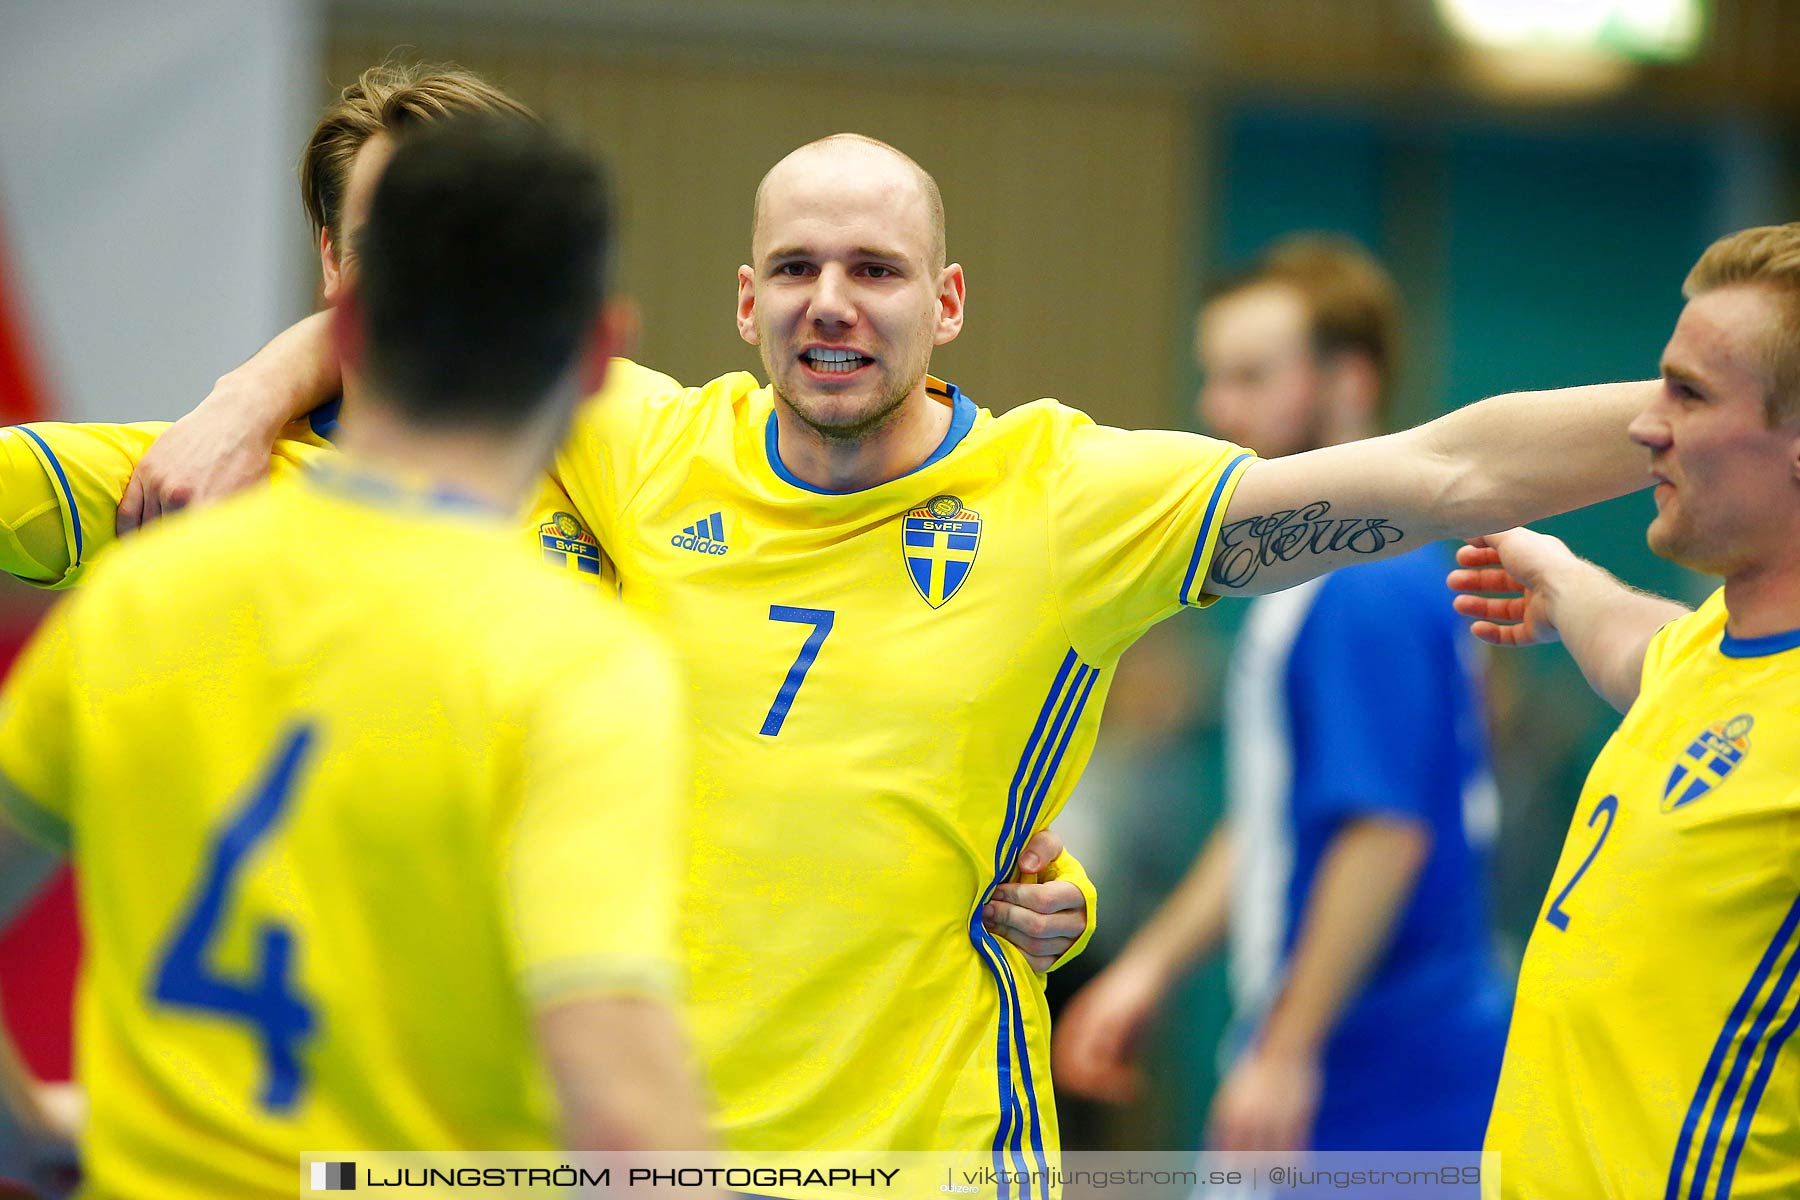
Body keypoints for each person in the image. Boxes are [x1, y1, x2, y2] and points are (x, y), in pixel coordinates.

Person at [135, 125, 1661, 1182]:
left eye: (873, 269)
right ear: (743, 302)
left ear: (945, 304)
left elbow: (1447, 471)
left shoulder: (1065, 499)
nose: (831, 305)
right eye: (795, 268)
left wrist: (1693, 415)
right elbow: (403, 315)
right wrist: (225, 410)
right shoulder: (646, 443)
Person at [0, 64, 1090, 974]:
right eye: (395, 243)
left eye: (473, 242)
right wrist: (244, 403)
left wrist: (1021, 871)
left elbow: (802, 729)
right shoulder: (201, 476)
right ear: (332, 260)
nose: (438, 279)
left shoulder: (632, 454)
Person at [0, 119, 714, 1198]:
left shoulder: (140, 597)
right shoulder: (576, 665)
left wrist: (28, 1125)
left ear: (345, 321)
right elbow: (622, 1110)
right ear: (601, 353)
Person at [1053, 237, 1511, 1153]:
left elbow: (1381, 832)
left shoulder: (1368, 585)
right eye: (1211, 376)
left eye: (1252, 375)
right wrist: (1151, 967)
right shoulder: (1306, 583)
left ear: (1350, 382)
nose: (1217, 407)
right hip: (1354, 1053)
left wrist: (1288, 1048)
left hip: (1384, 1071)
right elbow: (1282, 813)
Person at [1447, 223, 1800, 1199]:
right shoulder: (1704, 652)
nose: (1647, 425)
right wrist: (1555, 574)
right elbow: (1634, 644)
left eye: (1689, 394)